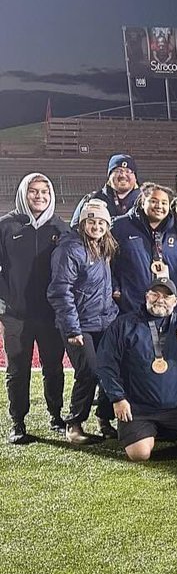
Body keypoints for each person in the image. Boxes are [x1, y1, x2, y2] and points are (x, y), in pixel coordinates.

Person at [96, 278, 177, 462]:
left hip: (174, 408)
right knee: (140, 454)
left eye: (166, 296)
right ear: (147, 296)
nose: (160, 299)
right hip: (138, 409)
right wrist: (118, 398)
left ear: (175, 301)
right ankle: (148, 432)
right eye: (155, 294)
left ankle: (160, 431)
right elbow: (105, 364)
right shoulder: (123, 325)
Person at [0, 172, 69, 443]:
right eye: (34, 191)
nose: (39, 196)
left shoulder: (60, 228)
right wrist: (5, 300)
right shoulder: (6, 226)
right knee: (18, 368)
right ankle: (17, 422)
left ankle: (56, 416)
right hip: (16, 314)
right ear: (23, 193)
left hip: (51, 313)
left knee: (54, 366)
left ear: (51, 196)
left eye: (44, 192)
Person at [47, 199, 120, 444]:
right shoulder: (70, 248)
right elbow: (60, 290)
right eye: (91, 221)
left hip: (104, 321)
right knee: (88, 370)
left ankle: (104, 418)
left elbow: (105, 282)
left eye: (101, 222)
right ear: (82, 222)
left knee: (111, 369)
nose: (96, 226)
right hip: (80, 324)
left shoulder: (105, 246)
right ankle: (74, 424)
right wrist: (72, 328)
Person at [111, 181, 177, 314]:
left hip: (169, 310)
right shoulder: (119, 227)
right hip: (131, 309)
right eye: (154, 201)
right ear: (142, 201)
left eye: (164, 203)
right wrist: (116, 290)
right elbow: (106, 263)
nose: (159, 206)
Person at [74, 153, 140, 222]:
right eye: (118, 171)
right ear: (109, 176)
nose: (123, 175)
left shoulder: (145, 202)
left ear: (135, 178)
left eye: (128, 171)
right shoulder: (92, 199)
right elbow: (75, 229)